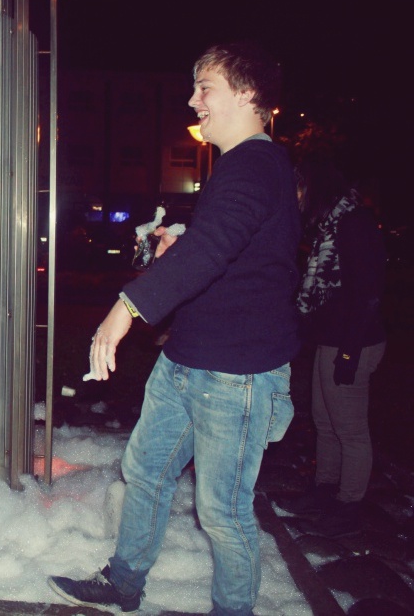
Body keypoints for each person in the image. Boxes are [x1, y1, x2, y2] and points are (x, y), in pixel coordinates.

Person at [48, 42, 299, 616]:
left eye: (205, 87)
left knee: (222, 513)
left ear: (247, 94)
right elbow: (229, 247)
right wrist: (179, 244)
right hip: (187, 360)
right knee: (145, 474)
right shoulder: (239, 166)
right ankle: (124, 584)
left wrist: (125, 308)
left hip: (236, 374)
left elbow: (215, 248)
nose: (192, 100)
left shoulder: (257, 164)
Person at [284, 153, 387, 537]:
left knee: (350, 429)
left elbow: (368, 294)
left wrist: (348, 352)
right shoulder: (331, 225)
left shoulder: (354, 223)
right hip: (333, 341)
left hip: (352, 343)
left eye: (300, 186)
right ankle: (325, 491)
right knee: (325, 422)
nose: (297, 194)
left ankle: (349, 506)